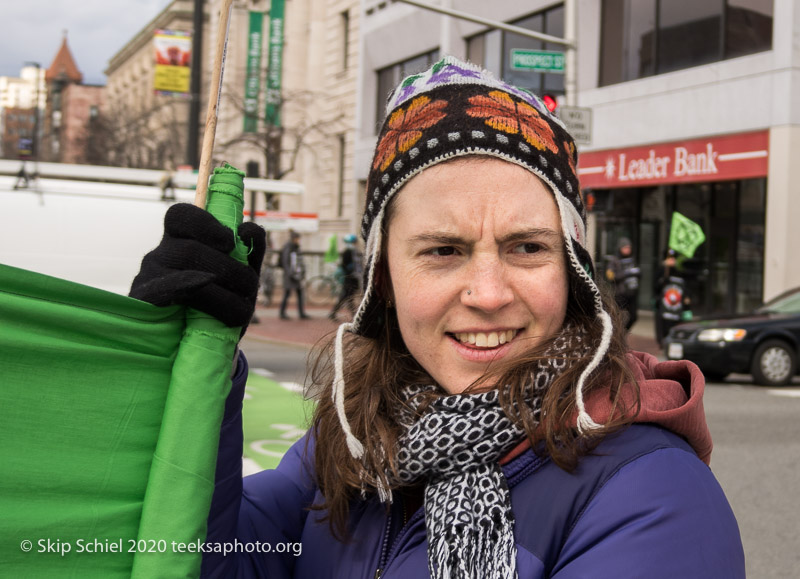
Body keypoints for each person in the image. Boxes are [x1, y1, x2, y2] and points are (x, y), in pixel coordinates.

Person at [130, 57, 744, 578]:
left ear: (573, 271)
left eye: (526, 246)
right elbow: (204, 558)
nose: (486, 293)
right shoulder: (347, 443)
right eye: (442, 250)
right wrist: (190, 367)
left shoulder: (654, 494)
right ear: (384, 281)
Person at [654, 248, 692, 346]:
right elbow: (656, 287)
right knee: (663, 329)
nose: (671, 261)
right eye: (669, 258)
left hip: (676, 310)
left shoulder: (680, 272)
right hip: (663, 309)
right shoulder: (662, 271)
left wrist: (687, 298)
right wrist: (665, 270)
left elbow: (686, 287)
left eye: (673, 259)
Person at [604, 237, 641, 330]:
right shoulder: (614, 261)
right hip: (620, 295)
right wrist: (626, 273)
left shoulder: (632, 259)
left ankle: (622, 333)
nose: (628, 250)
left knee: (633, 317)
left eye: (629, 247)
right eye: (625, 247)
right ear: (620, 248)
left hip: (632, 294)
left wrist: (637, 273)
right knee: (617, 318)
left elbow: (639, 274)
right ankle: (617, 334)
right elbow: (610, 277)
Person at [328, 234, 361, 321]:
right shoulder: (347, 252)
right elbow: (344, 265)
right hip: (349, 279)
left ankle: (335, 313)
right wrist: (350, 272)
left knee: (347, 297)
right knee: (347, 297)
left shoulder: (354, 252)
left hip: (353, 278)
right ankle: (354, 316)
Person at [279, 230, 309, 320]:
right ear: (293, 238)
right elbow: (285, 261)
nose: (298, 240)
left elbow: (299, 260)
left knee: (299, 293)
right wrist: (290, 273)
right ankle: (282, 312)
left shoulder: (296, 247)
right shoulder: (288, 247)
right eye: (297, 238)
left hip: (297, 274)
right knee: (287, 293)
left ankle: (301, 313)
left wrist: (301, 272)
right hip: (290, 275)